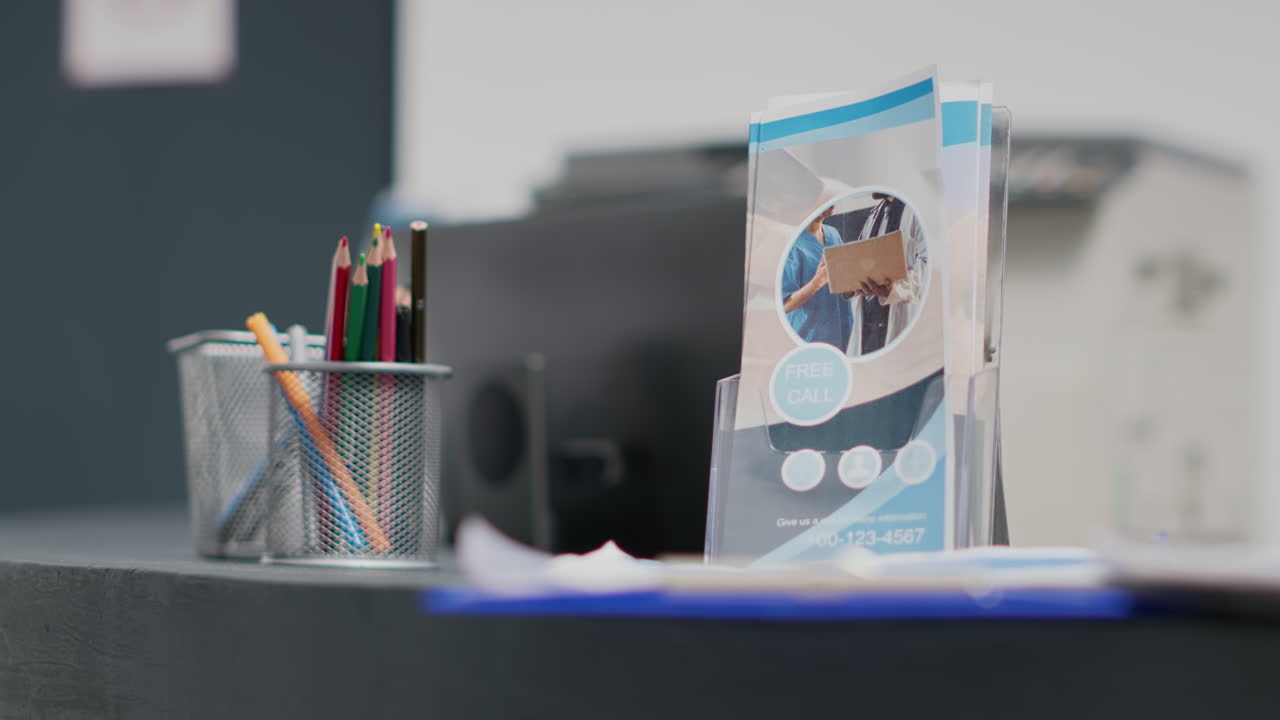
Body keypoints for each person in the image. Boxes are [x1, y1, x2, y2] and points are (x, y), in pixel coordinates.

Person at [845, 193, 927, 357]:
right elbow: (862, 259)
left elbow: (927, 265)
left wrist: (891, 290)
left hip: (900, 312)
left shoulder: (916, 213)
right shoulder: (875, 214)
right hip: (869, 318)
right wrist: (848, 283)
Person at [780, 204, 853, 348]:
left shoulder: (833, 233)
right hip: (810, 336)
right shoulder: (790, 245)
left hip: (842, 329)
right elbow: (783, 305)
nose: (832, 205)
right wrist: (817, 282)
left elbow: (841, 283)